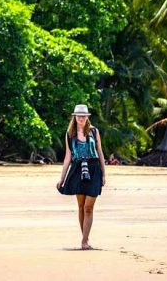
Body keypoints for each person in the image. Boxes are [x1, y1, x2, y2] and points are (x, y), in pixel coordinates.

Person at [56, 104, 106, 250]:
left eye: (84, 116)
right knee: (80, 206)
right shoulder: (69, 134)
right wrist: (62, 178)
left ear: (87, 117)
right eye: (79, 116)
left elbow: (100, 152)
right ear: (75, 117)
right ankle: (85, 239)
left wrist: (104, 173)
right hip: (77, 169)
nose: (82, 118)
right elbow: (67, 157)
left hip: (94, 168)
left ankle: (84, 241)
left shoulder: (94, 131)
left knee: (88, 207)